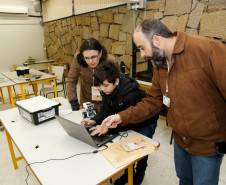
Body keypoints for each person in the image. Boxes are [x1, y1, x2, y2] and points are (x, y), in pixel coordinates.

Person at [101, 19, 226, 185]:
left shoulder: (207, 50)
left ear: (156, 40)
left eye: (141, 47)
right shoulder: (159, 63)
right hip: (181, 142)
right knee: (185, 180)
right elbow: (153, 101)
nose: (142, 55)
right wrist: (121, 117)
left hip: (207, 146)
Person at [80, 61, 159, 185]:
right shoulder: (108, 89)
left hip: (146, 122)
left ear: (116, 81)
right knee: (126, 148)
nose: (103, 89)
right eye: (101, 85)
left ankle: (140, 172)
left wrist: (107, 128)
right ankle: (129, 174)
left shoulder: (131, 94)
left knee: (141, 150)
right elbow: (106, 109)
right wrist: (94, 120)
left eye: (105, 85)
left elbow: (130, 124)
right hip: (125, 120)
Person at [67, 38, 117, 112]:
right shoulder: (77, 59)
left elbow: (117, 84)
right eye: (86, 58)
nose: (91, 61)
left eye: (93, 57)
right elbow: (71, 80)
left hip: (106, 101)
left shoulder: (111, 61)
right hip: (86, 100)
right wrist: (73, 101)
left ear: (100, 53)